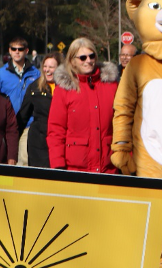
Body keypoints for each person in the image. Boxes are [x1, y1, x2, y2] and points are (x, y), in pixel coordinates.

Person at [47, 38, 120, 173]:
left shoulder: (111, 86)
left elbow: (122, 123)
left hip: (109, 167)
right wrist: (58, 164)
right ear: (72, 60)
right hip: (75, 169)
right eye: (82, 57)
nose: (88, 60)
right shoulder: (64, 90)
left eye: (91, 56)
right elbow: (56, 130)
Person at [0, 37, 41, 166]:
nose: (17, 52)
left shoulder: (36, 73)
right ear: (9, 51)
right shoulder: (0, 74)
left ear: (26, 51)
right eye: (14, 49)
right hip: (8, 125)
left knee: (26, 160)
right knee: (7, 161)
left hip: (28, 124)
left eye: (20, 49)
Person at [17, 52, 62, 168]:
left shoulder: (67, 88)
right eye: (45, 66)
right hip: (38, 144)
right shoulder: (34, 87)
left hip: (59, 142)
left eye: (51, 67)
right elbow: (22, 117)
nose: (47, 70)